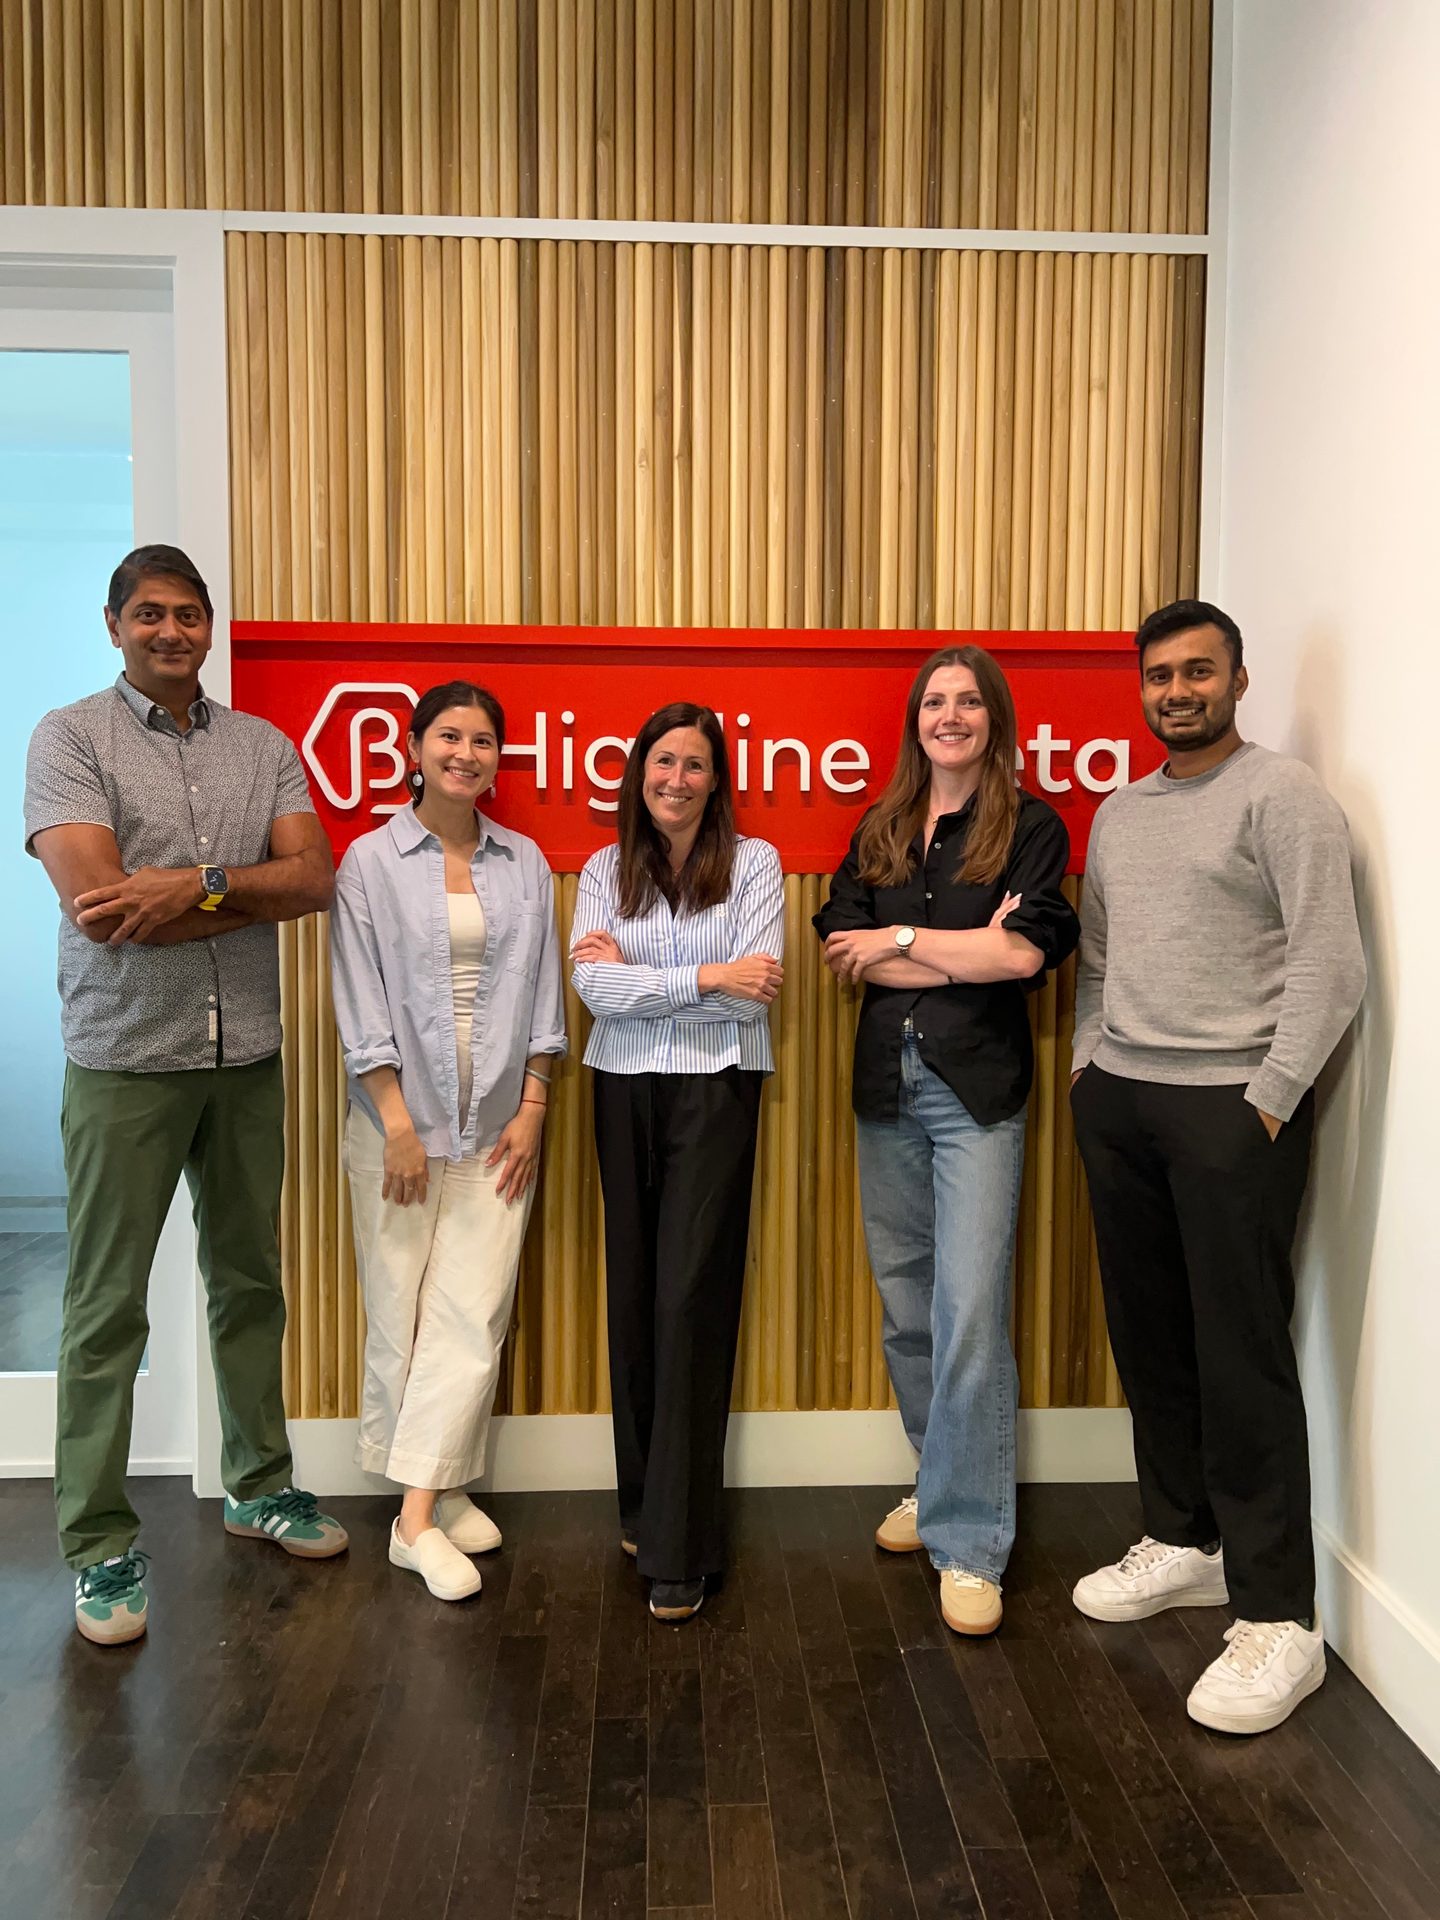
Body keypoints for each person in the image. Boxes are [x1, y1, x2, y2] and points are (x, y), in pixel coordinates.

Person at [23, 543, 348, 1648]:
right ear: (115, 623)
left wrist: (195, 884)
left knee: (250, 1282)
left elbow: (315, 879)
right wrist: (238, 897)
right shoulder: (71, 738)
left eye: (190, 614)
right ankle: (97, 1541)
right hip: (125, 1061)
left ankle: (260, 1483)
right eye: (151, 614)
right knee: (107, 1305)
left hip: (244, 1054)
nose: (172, 631)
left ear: (211, 627)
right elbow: (103, 908)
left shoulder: (262, 746)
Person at [1068, 598, 1366, 1735]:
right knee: (1150, 1337)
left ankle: (1281, 1617)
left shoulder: (1282, 795)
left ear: (1239, 681)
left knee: (1242, 1354)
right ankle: (1183, 1538)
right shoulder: (1120, 812)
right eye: (1160, 676)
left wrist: (1269, 1099)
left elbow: (1332, 963)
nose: (1177, 691)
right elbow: (1100, 958)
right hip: (1124, 1102)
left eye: (1199, 672)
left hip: (1233, 1111)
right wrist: (1092, 1068)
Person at [815, 645, 1079, 1637]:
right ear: (915, 721)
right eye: (936, 701)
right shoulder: (881, 827)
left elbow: (1025, 953)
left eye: (970, 701)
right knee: (909, 1309)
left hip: (977, 1096)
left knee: (968, 1310)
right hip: (885, 1089)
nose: (951, 715)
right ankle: (937, 1481)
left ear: (993, 718)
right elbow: (844, 950)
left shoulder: (1031, 827)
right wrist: (961, 952)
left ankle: (971, 1543)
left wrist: (901, 941)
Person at [330, 681, 566, 1602]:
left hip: (498, 1127)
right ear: (416, 748)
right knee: (401, 1314)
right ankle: (429, 1498)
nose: (465, 754)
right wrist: (395, 1122)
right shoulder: (369, 862)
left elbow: (544, 996)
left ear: (497, 759)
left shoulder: (524, 861)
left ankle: (418, 1512)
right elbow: (359, 1002)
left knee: (474, 1312)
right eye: (449, 737)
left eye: (482, 741)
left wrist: (534, 1105)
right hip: (398, 1129)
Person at [571, 702, 783, 1622]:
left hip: (717, 1088)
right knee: (633, 1297)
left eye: (695, 765)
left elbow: (755, 992)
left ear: (715, 779)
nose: (677, 780)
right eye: (664, 762)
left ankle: (682, 1544)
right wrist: (704, 975)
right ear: (640, 773)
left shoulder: (756, 864)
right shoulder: (603, 868)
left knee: (691, 1299)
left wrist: (646, 980)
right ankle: (641, 1508)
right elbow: (592, 988)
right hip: (621, 1088)